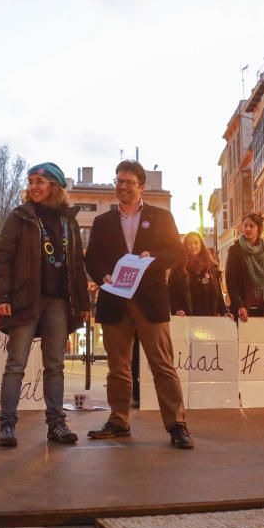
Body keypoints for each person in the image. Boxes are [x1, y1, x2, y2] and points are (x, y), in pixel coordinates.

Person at [85, 160, 193, 449]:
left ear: (141, 186)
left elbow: (176, 253)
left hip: (150, 301)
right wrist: (102, 275)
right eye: (118, 181)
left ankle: (177, 425)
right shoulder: (102, 221)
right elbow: (92, 258)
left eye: (129, 182)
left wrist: (152, 258)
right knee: (118, 368)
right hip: (114, 301)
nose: (122, 186)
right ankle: (119, 421)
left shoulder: (161, 217)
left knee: (162, 366)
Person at [0, 163, 89, 447]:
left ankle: (56, 424)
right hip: (26, 300)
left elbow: (77, 264)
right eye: (31, 181)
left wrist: (82, 302)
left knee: (55, 366)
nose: (33, 186)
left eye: (40, 181)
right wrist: (1, 297)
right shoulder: (20, 217)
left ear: (55, 186)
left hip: (58, 302)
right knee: (15, 364)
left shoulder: (68, 221)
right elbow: (2, 257)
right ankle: (7, 425)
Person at [225, 212, 264, 324]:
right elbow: (231, 283)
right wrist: (239, 306)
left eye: (252, 226)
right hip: (244, 311)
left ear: (259, 228)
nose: (248, 229)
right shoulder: (235, 251)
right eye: (245, 226)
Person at [170, 232, 228, 317]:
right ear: (185, 246)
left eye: (196, 243)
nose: (193, 246)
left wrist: (224, 312)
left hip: (209, 318)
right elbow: (172, 293)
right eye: (189, 244)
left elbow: (218, 293)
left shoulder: (211, 267)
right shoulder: (178, 269)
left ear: (201, 245)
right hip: (187, 319)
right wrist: (177, 309)